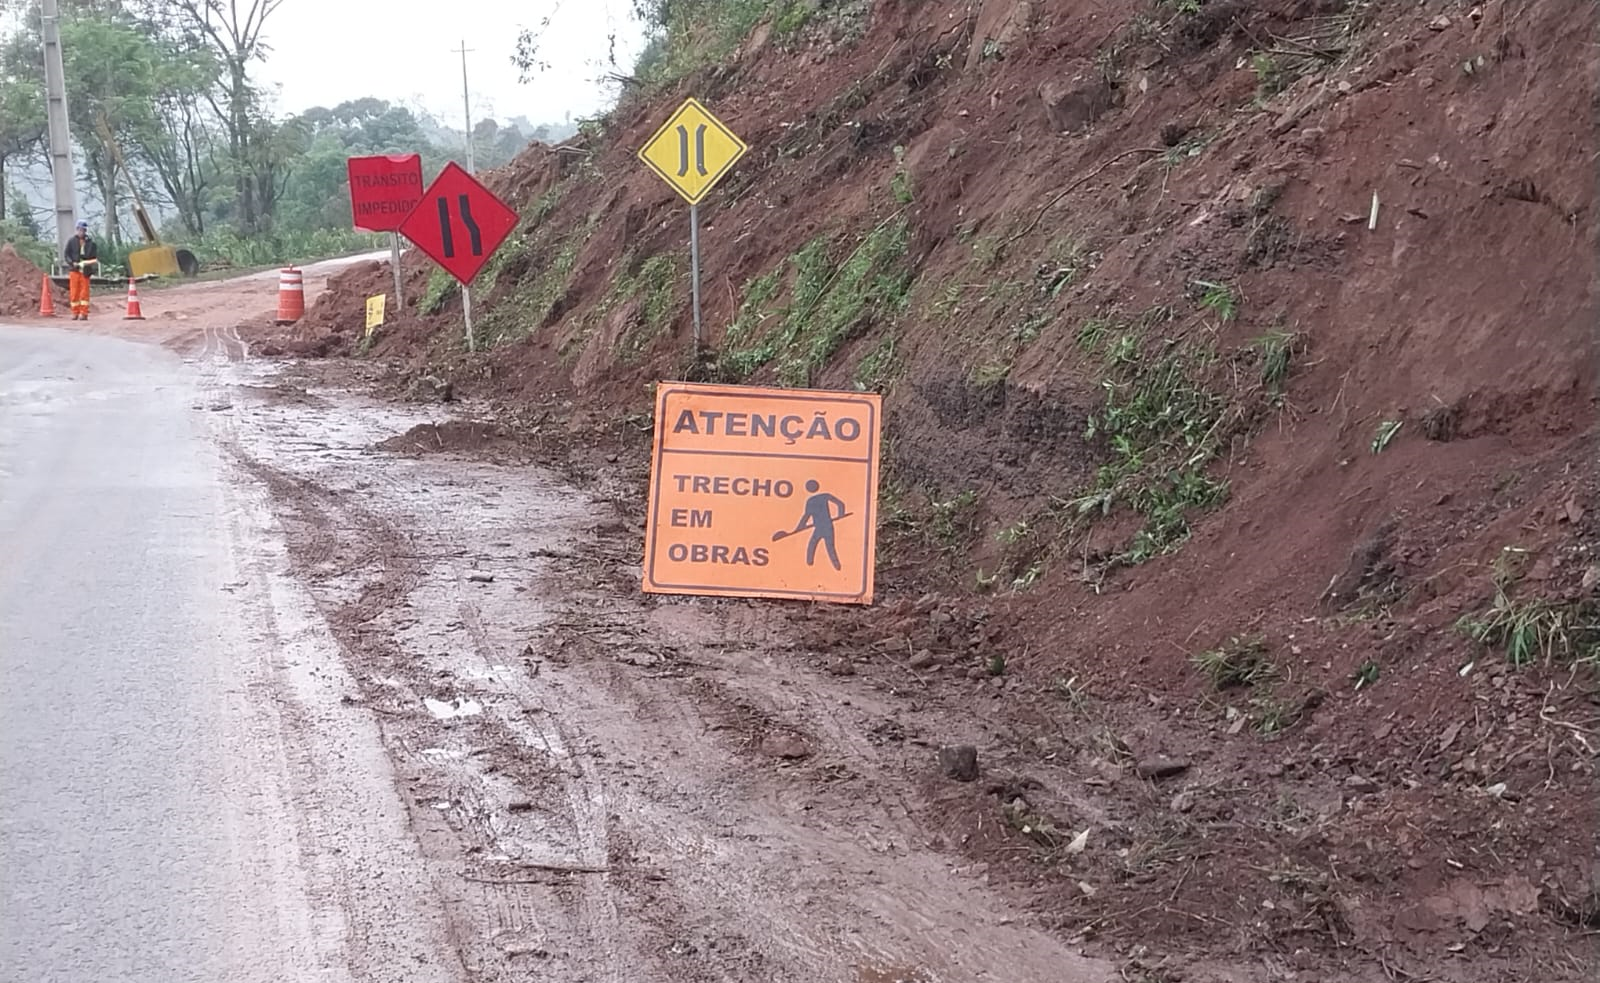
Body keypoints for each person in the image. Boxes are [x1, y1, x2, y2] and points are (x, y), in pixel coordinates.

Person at [781, 479, 847, 571]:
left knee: (828, 546)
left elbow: (840, 504)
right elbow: (807, 515)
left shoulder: (819, 498)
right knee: (813, 544)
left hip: (826, 525)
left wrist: (841, 514)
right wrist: (799, 528)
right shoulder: (814, 499)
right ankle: (810, 565)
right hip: (820, 527)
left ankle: (836, 567)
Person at [63, 220, 98, 320]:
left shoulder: (91, 243)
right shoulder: (71, 241)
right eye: (80, 230)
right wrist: (72, 262)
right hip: (74, 270)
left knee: (84, 293)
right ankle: (75, 312)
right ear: (77, 230)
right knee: (74, 293)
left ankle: (84, 313)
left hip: (85, 271)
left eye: (83, 230)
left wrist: (86, 263)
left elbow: (94, 258)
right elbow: (66, 255)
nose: (81, 232)